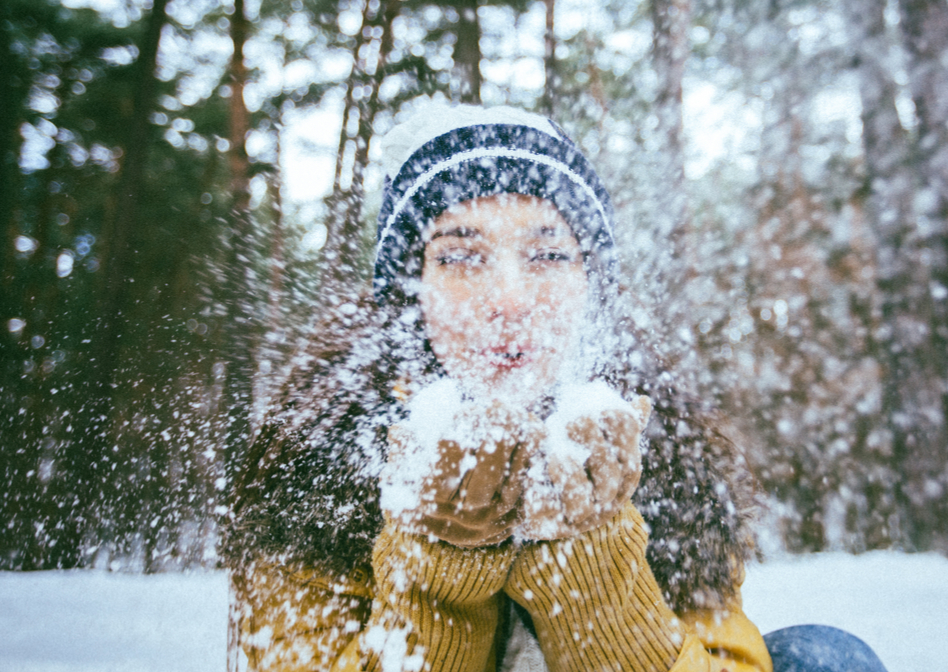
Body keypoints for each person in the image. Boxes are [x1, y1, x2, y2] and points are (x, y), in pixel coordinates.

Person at [226, 105, 887, 672]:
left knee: (824, 657)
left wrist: (589, 550)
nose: (509, 301)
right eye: (459, 255)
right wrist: (441, 560)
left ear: (589, 288)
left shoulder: (660, 452)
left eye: (547, 254)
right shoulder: (319, 465)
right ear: (409, 292)